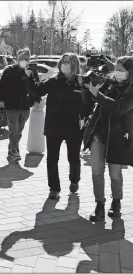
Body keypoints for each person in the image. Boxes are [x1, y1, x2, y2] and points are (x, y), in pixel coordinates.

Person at [26, 53, 89, 200]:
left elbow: (87, 103)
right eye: (62, 62)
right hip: (54, 126)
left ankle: (74, 180)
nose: (64, 65)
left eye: (67, 63)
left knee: (73, 158)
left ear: (74, 65)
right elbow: (37, 90)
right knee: (52, 159)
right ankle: (54, 188)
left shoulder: (80, 83)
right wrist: (29, 77)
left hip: (74, 126)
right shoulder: (54, 81)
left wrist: (84, 119)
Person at [82, 56, 133, 222]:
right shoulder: (109, 82)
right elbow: (90, 100)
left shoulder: (131, 90)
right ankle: (99, 205)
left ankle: (116, 202)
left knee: (114, 172)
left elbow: (119, 108)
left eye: (121, 70)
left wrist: (98, 95)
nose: (117, 72)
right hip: (98, 131)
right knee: (97, 170)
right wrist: (88, 86)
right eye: (116, 69)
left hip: (117, 135)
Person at [0, 48, 40, 162]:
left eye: (26, 58)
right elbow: (2, 86)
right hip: (12, 105)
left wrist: (36, 100)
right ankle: (16, 151)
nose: (23, 60)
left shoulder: (31, 70)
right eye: (21, 58)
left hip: (25, 106)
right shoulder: (9, 70)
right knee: (13, 129)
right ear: (17, 59)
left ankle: (11, 149)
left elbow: (37, 87)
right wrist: (0, 99)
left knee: (19, 131)